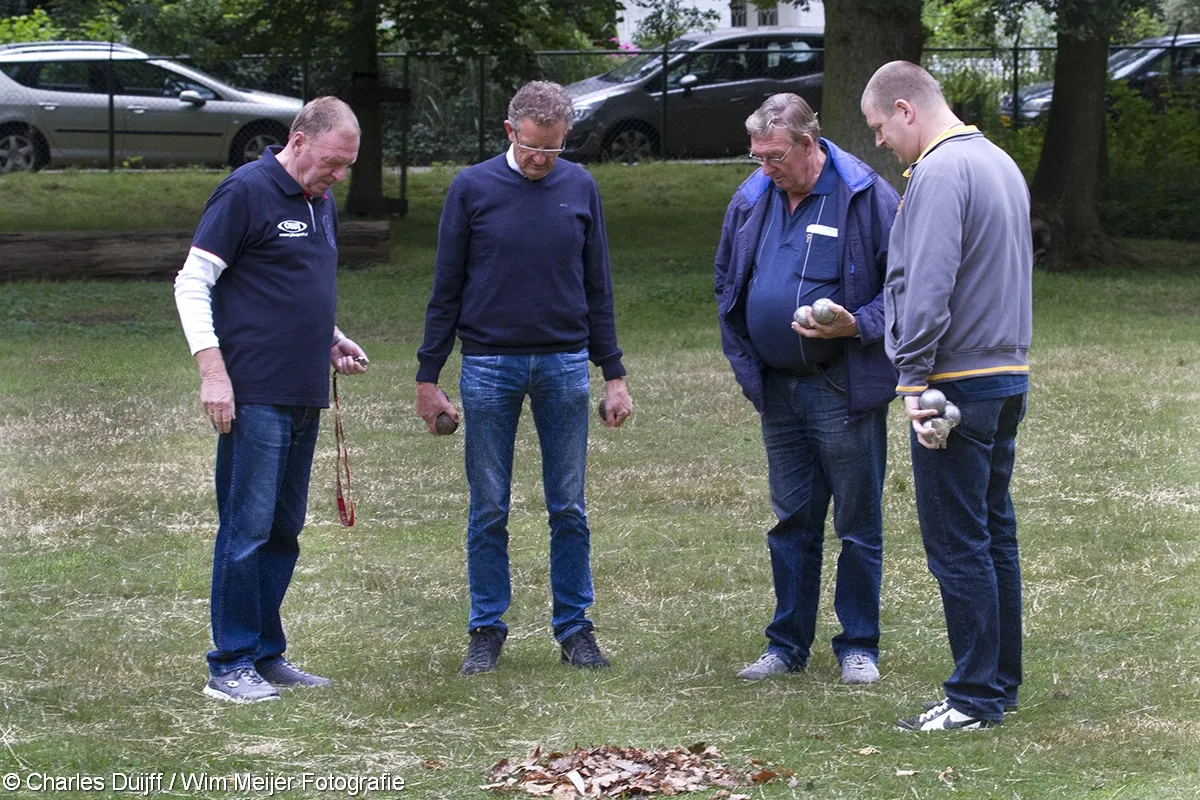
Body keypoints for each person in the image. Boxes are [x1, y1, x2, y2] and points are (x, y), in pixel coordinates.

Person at [415, 80, 632, 677]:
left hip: (564, 363)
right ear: (511, 132)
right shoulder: (472, 189)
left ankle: (575, 628)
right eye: (534, 148)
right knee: (488, 505)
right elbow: (446, 288)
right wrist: (428, 377)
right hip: (488, 364)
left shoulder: (580, 187)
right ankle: (486, 628)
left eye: (555, 150)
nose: (542, 161)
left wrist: (613, 373)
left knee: (569, 506)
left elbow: (599, 287)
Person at [174, 96, 368, 704]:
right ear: (299, 139)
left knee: (283, 531)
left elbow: (293, 285)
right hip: (252, 390)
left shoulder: (321, 199)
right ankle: (228, 664)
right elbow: (192, 283)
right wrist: (213, 373)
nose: (336, 176)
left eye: (345, 167)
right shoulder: (245, 192)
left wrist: (331, 338)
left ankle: (265, 653)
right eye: (331, 163)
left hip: (304, 389)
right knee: (247, 529)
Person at [861, 61, 1032, 731]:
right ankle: (999, 685)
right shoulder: (998, 162)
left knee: (958, 542)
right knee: (993, 536)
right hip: (1005, 373)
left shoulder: (938, 172)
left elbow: (926, 287)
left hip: (952, 382)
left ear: (906, 109)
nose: (879, 141)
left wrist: (911, 379)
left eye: (879, 126)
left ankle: (972, 698)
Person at [714, 93, 900, 686]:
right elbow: (727, 279)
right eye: (756, 156)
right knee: (791, 519)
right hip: (780, 390)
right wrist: (751, 361)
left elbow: (904, 286)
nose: (762, 167)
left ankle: (858, 645)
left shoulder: (865, 196)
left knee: (856, 521)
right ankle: (787, 644)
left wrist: (856, 325)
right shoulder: (753, 197)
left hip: (840, 385)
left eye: (772, 156)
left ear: (808, 144)